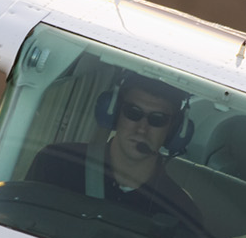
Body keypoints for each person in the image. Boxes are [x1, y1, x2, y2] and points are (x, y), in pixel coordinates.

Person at [26, 74, 205, 229]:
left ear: (174, 130)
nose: (142, 129)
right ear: (113, 113)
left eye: (157, 120)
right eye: (133, 112)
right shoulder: (56, 164)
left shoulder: (181, 212)